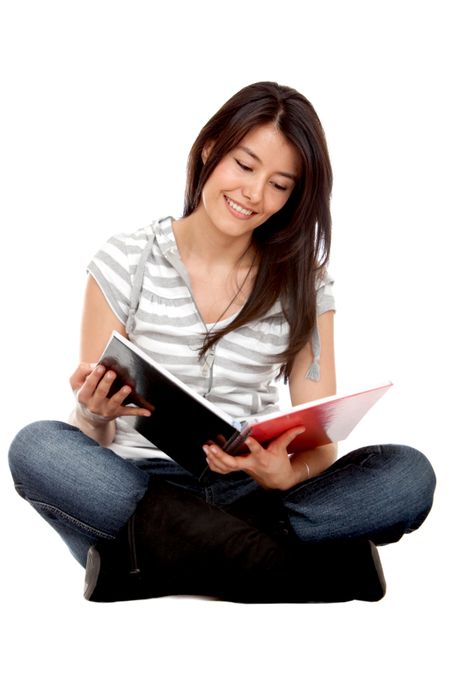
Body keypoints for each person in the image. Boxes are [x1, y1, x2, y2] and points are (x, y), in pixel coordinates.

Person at [8, 81, 436, 603]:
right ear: (211, 147)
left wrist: (286, 474)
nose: (254, 195)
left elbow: (321, 441)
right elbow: (92, 436)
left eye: (280, 184)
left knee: (408, 475)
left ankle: (147, 563)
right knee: (39, 448)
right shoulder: (126, 260)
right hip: (138, 488)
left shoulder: (306, 284)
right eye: (245, 164)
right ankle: (302, 567)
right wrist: (94, 414)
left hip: (254, 492)